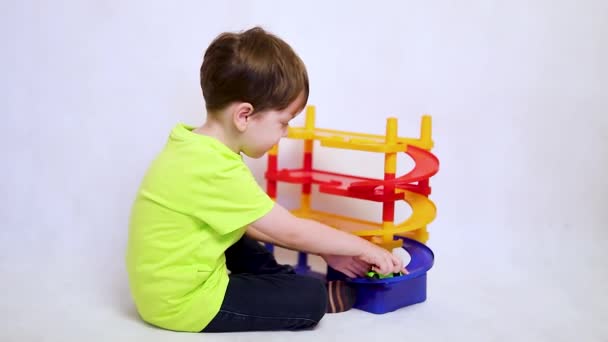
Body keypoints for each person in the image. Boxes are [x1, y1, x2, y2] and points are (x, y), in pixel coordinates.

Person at [125, 26, 405, 333]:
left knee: (237, 230)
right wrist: (361, 247)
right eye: (283, 122)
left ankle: (273, 282)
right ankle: (284, 289)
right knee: (310, 299)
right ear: (244, 115)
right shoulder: (214, 167)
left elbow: (251, 223)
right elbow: (291, 232)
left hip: (163, 290)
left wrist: (327, 249)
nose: (285, 133)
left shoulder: (193, 146)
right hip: (183, 303)